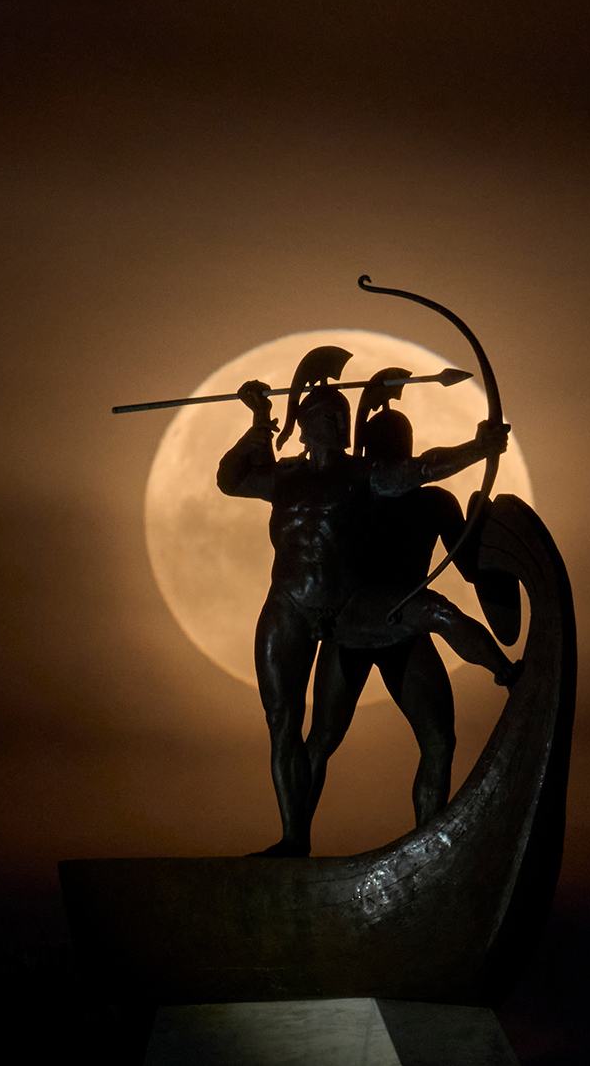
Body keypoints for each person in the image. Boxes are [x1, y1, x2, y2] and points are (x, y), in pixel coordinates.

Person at [216, 350, 512, 856]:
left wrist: (476, 450)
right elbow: (229, 478)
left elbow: (421, 468)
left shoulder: (364, 475)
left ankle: (509, 676)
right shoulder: (284, 478)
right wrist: (260, 424)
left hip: (352, 607)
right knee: (287, 723)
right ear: (305, 427)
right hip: (290, 606)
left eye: (340, 415)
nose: (334, 421)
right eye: (322, 415)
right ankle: (293, 839)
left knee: (435, 640)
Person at [307, 402, 522, 829]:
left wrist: (487, 534)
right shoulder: (354, 492)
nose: (394, 454)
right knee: (322, 740)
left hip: (403, 628)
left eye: (399, 444)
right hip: (350, 625)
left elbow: (468, 565)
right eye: (384, 446)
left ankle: (428, 836)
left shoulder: (435, 503)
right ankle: (295, 837)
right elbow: (318, 557)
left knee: (439, 740)